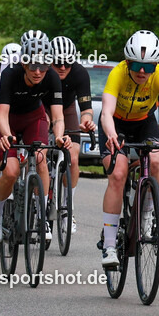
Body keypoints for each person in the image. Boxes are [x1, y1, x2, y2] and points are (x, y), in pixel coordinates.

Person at [99, 30, 159, 268]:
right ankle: (110, 245)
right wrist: (111, 135)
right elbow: (107, 112)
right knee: (118, 173)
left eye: (149, 67)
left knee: (155, 160)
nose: (143, 72)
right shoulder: (117, 74)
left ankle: (147, 213)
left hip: (144, 123)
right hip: (116, 124)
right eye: (138, 66)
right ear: (129, 62)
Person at [0, 34, 70, 244]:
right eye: (33, 65)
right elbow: (2, 115)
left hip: (34, 118)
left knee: (41, 159)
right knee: (11, 170)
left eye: (43, 66)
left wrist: (60, 136)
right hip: (8, 120)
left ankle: (42, 217)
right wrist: (6, 135)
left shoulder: (51, 77)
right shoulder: (10, 74)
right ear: (24, 62)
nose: (37, 72)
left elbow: (58, 117)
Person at [50, 36, 96, 232]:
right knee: (39, 155)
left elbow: (86, 107)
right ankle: (38, 202)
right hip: (42, 108)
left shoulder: (79, 73)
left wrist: (86, 119)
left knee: (73, 157)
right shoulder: (41, 71)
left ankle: (68, 206)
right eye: (57, 62)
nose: (62, 67)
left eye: (67, 63)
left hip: (67, 109)